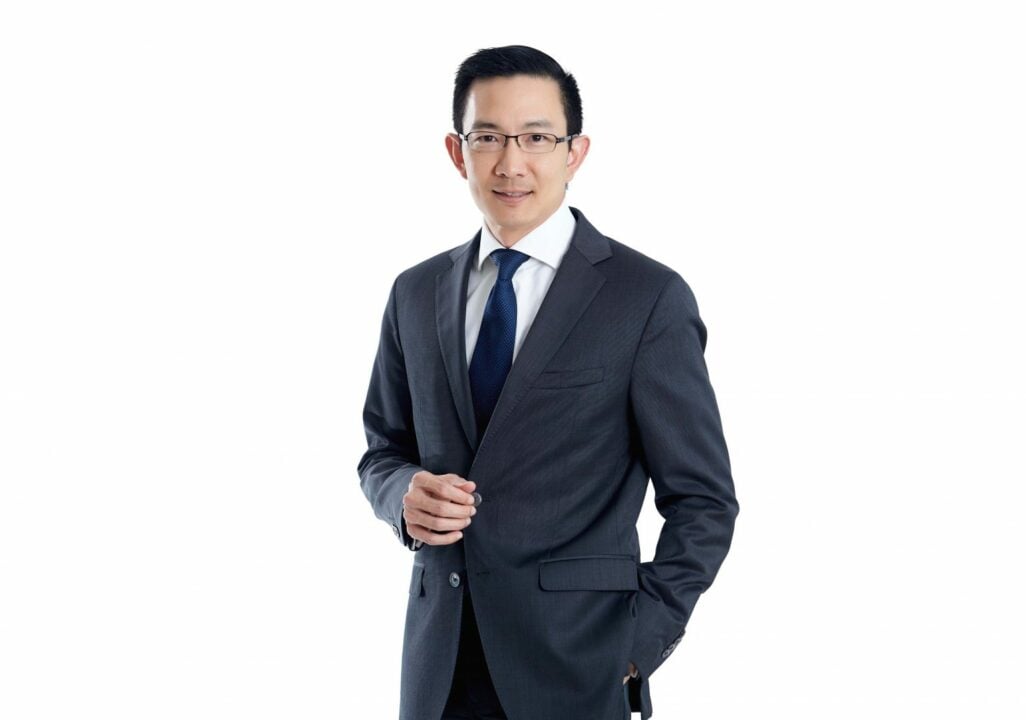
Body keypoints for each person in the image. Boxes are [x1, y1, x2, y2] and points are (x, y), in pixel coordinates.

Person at [358, 45, 738, 720]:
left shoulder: (645, 298)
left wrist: (635, 647)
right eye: (488, 138)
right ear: (457, 152)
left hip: (576, 668)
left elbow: (703, 501)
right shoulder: (414, 292)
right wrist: (401, 496)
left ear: (575, 153)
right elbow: (383, 450)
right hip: (438, 668)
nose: (511, 163)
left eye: (536, 138)